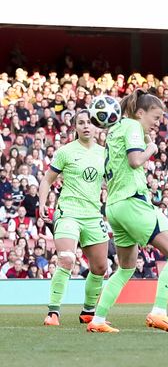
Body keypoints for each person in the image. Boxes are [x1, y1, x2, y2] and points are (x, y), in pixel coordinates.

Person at [87, 90, 168, 333]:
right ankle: (159, 312)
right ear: (140, 112)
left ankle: (98, 320)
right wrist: (151, 148)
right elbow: (134, 160)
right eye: (155, 117)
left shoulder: (115, 130)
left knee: (126, 268)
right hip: (133, 201)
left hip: (114, 206)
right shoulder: (132, 125)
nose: (157, 123)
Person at [41, 110, 109, 326]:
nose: (86, 126)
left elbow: (112, 183)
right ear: (75, 127)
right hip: (68, 212)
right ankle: (53, 312)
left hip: (92, 214)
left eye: (89, 122)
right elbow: (46, 181)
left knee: (100, 267)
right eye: (81, 123)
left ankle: (88, 311)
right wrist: (42, 203)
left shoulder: (104, 153)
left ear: (96, 126)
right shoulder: (65, 152)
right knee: (67, 258)